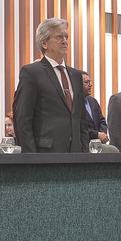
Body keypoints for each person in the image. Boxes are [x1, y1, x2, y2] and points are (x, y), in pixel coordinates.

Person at [12, 18, 88, 153]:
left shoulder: (76, 75)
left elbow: (81, 120)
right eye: (59, 37)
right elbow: (23, 119)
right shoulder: (32, 73)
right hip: (45, 154)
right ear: (44, 43)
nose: (65, 41)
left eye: (66, 37)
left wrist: (84, 152)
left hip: (76, 154)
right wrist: (31, 158)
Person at [82, 71, 109, 144]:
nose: (90, 84)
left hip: (98, 144)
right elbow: (79, 126)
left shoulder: (93, 101)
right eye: (86, 82)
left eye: (90, 82)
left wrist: (102, 134)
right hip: (83, 144)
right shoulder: (74, 103)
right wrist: (96, 134)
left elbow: (102, 121)